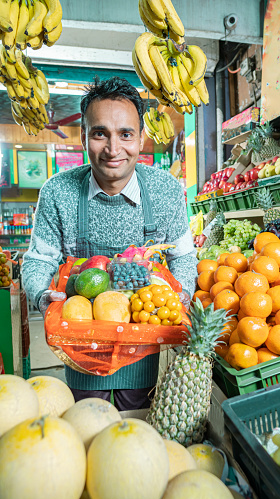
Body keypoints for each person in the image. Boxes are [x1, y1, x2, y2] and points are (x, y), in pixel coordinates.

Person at [22, 76, 197, 411]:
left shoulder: (166, 191)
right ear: (84, 136)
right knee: (88, 431)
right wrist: (43, 296)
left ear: (142, 137)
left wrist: (183, 294)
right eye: (100, 133)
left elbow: (183, 255)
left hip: (145, 345)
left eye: (126, 134)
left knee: (138, 428)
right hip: (80, 349)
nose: (113, 149)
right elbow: (39, 259)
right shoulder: (58, 192)